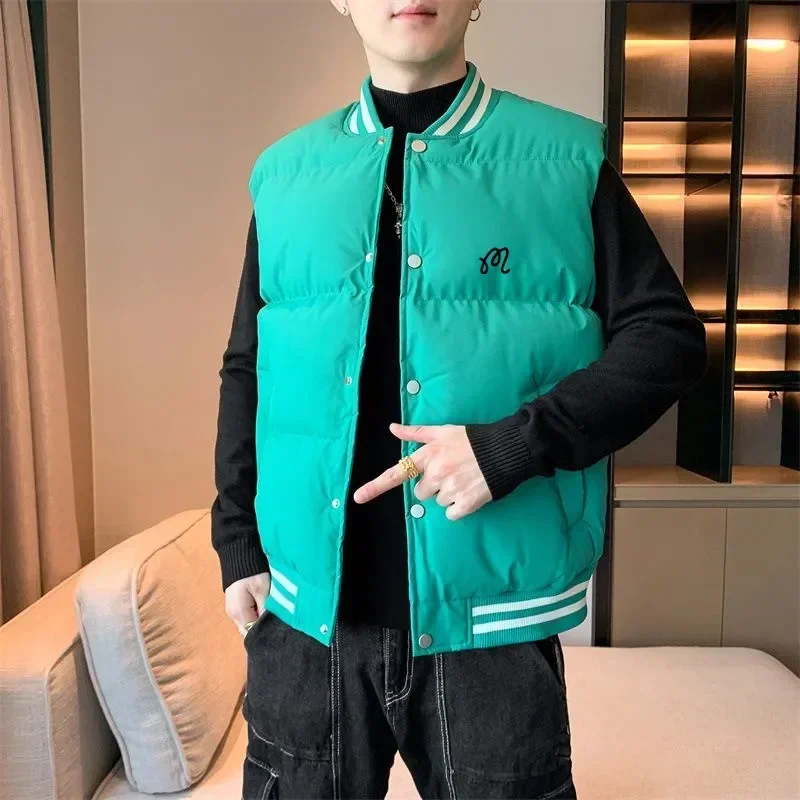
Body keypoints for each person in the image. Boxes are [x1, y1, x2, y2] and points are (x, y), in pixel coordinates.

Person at [211, 1, 708, 798]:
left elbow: (668, 339)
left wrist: (512, 446)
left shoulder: (564, 161)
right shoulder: (284, 176)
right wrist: (236, 538)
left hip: (492, 627)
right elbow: (249, 367)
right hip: (305, 625)